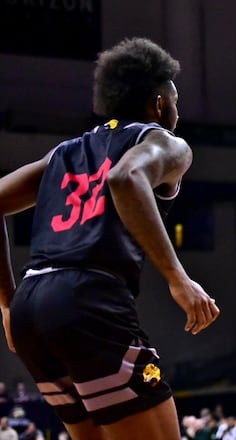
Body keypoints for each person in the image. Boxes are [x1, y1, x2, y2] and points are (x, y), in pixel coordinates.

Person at [0, 37, 220, 440]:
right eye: (175, 100)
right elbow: (125, 176)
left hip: (32, 304)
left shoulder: (64, 151)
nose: (177, 110)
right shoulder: (164, 142)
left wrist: (6, 302)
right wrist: (178, 278)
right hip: (86, 301)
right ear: (158, 104)